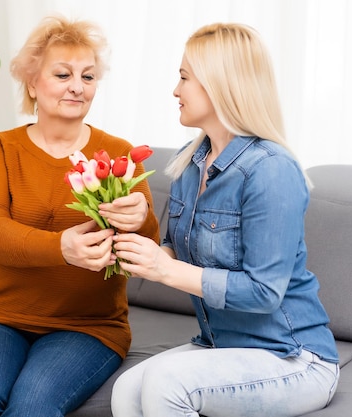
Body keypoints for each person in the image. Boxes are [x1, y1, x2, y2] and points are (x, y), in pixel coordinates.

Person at [109, 23, 339, 417]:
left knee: (166, 383)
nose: (175, 90)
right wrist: (132, 249)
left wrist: (164, 270)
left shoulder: (270, 170)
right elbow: (175, 251)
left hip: (294, 357)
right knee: (127, 390)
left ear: (219, 84)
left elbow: (265, 292)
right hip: (222, 344)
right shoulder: (189, 161)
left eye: (184, 78)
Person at [0, 15, 159, 417]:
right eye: (63, 74)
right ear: (32, 83)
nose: (77, 87)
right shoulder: (0, 149)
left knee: (32, 406)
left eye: (88, 76)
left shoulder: (118, 154)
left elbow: (146, 247)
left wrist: (141, 216)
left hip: (87, 325)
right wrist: (61, 247)